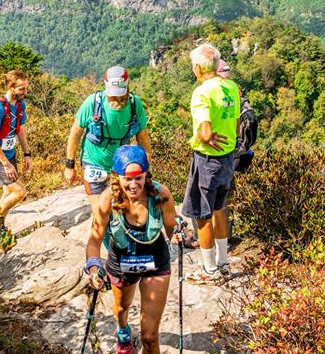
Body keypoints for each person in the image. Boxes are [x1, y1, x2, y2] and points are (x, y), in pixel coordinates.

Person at [84, 145, 187, 354]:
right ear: (116, 176)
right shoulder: (107, 201)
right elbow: (94, 241)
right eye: (127, 179)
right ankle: (123, 332)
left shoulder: (161, 195)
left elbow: (171, 227)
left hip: (155, 261)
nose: (133, 185)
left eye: (138, 178)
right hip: (121, 263)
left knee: (149, 337)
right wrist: (94, 267)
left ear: (146, 175)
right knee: (121, 309)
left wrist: (179, 232)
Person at [183, 43, 241, 285]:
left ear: (197, 68)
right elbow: (237, 126)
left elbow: (205, 132)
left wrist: (206, 138)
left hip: (207, 160)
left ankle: (209, 270)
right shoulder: (231, 87)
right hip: (228, 157)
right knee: (219, 209)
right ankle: (223, 263)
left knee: (202, 215)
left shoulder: (203, 93)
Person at [64, 66, 151, 217]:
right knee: (101, 212)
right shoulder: (93, 103)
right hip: (93, 162)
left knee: (123, 209)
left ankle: (119, 239)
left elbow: (142, 136)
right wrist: (69, 166)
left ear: (127, 85)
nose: (116, 98)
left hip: (122, 164)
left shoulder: (134, 104)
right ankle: (104, 239)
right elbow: (75, 132)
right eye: (112, 95)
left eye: (120, 94)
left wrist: (147, 165)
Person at [0, 70, 31, 235]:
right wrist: (6, 164)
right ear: (11, 87)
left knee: (8, 191)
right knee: (20, 192)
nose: (25, 92)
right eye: (21, 89)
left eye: (25, 88)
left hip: (10, 154)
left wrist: (27, 154)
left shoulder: (19, 105)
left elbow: (21, 130)